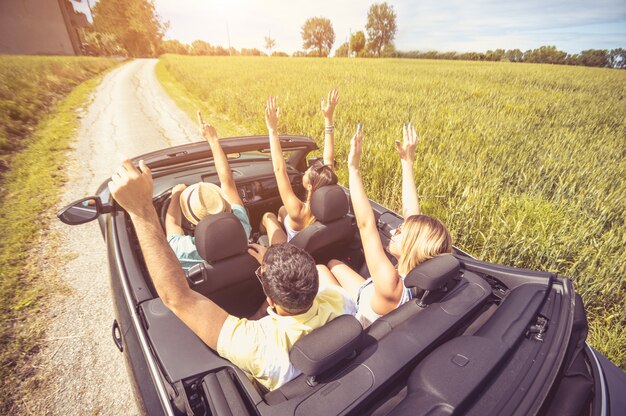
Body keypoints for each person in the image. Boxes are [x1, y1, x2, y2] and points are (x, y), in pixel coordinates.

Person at [108, 160, 356, 391]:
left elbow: (178, 296)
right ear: (313, 281)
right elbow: (323, 271)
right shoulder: (340, 301)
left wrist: (141, 210)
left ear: (270, 300)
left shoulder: (259, 345)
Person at [318, 123, 452, 328]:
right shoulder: (418, 274)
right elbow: (411, 214)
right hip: (368, 293)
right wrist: (407, 161)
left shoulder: (390, 283)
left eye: (400, 232)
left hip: (358, 316)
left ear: (413, 245)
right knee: (333, 263)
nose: (393, 230)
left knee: (319, 269)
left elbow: (365, 224)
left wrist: (353, 168)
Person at [166, 111, 251, 270]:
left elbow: (172, 222)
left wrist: (176, 194)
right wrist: (213, 139)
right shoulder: (242, 228)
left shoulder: (183, 251)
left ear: (192, 222)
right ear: (223, 205)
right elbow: (228, 182)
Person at [261, 90, 339, 245]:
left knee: (268, 216)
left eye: (306, 172)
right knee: (283, 210)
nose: (304, 171)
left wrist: (272, 130)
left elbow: (280, 170)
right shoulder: (328, 207)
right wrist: (328, 119)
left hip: (290, 252)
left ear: (309, 186)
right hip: (311, 248)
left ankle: (259, 238)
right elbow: (328, 160)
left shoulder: (298, 210)